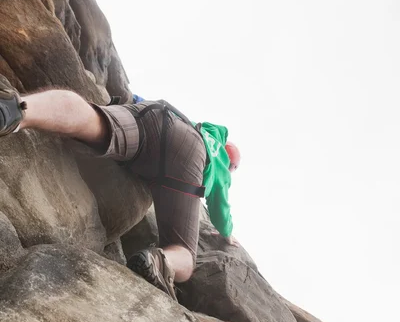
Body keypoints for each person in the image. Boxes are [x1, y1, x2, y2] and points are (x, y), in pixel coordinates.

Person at [0, 76, 240, 300]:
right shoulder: (221, 161)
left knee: (92, 119)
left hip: (160, 116)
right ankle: (159, 260)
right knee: (185, 257)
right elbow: (220, 208)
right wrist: (227, 233)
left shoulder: (201, 126)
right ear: (231, 163)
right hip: (188, 158)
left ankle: (18, 109)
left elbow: (134, 99)